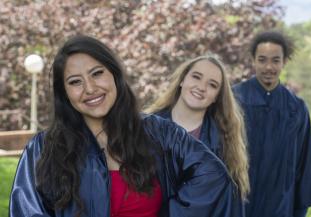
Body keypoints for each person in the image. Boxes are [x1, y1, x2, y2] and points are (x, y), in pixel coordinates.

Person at [9, 35, 242, 217]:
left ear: (114, 74)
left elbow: (214, 178)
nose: (90, 88)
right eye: (75, 82)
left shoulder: (160, 133)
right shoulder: (42, 149)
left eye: (97, 73)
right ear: (65, 93)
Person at [233, 30, 311, 217]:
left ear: (284, 61)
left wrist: (298, 211)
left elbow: (304, 164)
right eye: (262, 59)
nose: (269, 67)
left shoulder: (296, 108)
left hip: (280, 207)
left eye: (275, 60)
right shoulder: (233, 100)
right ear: (253, 60)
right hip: (238, 205)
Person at [145, 55, 250, 215]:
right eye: (196, 77)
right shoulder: (146, 127)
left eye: (212, 85)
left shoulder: (224, 143)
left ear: (216, 97)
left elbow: (230, 206)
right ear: (182, 80)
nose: (201, 87)